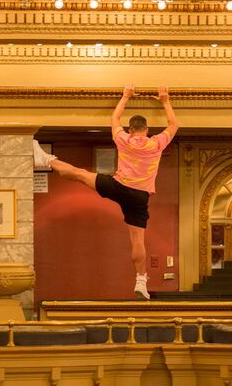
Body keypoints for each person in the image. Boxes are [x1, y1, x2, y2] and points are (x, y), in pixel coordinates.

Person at [33, 84, 180, 299]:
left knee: (80, 174)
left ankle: (46, 159)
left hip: (118, 187)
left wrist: (125, 96)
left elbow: (115, 118)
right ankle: (141, 280)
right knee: (138, 240)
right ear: (146, 131)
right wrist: (165, 100)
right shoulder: (156, 143)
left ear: (131, 130)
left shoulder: (123, 139)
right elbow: (174, 124)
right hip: (139, 196)